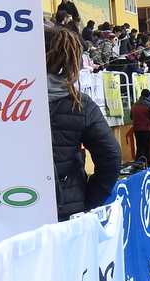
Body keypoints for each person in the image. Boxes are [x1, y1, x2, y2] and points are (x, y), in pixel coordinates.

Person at [45, 25, 121, 221]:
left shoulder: (7, 101)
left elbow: (111, 157)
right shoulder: (81, 103)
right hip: (68, 213)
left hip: (16, 207)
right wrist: (89, 201)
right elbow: (111, 157)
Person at [130, 87, 150, 165]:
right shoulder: (149, 105)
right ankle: (148, 164)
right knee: (147, 147)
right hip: (146, 129)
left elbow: (131, 117)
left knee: (139, 147)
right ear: (148, 96)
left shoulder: (134, 105)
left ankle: (137, 164)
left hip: (136, 129)